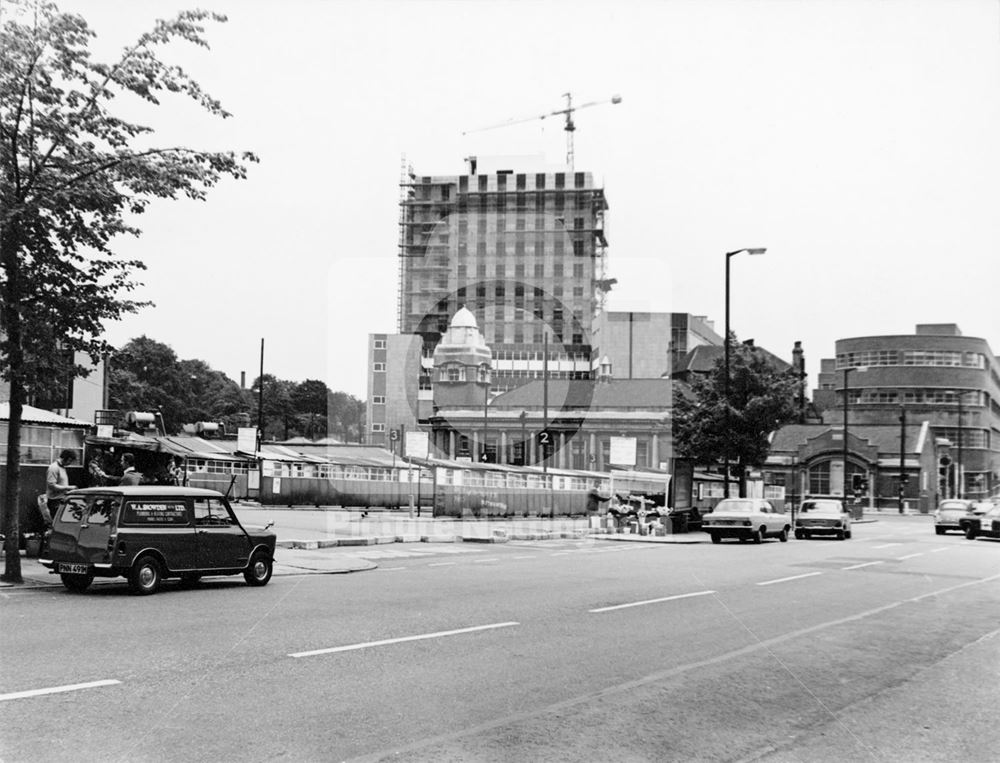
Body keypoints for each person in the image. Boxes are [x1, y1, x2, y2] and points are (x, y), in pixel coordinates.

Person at [45, 449, 77, 524]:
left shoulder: (62, 468)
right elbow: (51, 486)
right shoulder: (53, 468)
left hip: (62, 499)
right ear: (67, 458)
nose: (70, 463)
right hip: (55, 501)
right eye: (70, 461)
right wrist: (68, 488)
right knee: (59, 524)